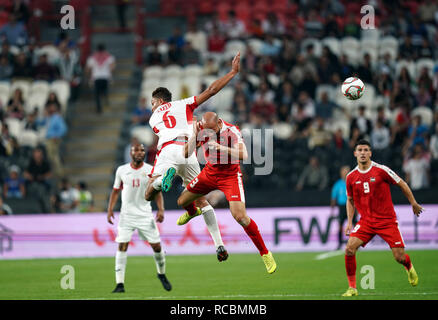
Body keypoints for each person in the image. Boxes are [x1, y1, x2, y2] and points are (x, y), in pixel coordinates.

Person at [145, 53, 242, 262]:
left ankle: (164, 179)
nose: (152, 106)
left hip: (169, 150)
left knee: (149, 193)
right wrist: (232, 72)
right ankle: (219, 245)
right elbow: (212, 90)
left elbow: (165, 127)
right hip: (188, 151)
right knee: (202, 201)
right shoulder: (185, 104)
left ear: (160, 101)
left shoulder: (153, 118)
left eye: (153, 102)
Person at [176, 112, 277, 274]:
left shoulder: (232, 131)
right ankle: (193, 211)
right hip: (209, 174)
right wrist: (195, 135)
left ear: (218, 124)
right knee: (182, 201)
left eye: (210, 131)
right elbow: (185, 154)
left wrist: (222, 147)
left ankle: (265, 253)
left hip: (229, 176)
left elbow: (244, 155)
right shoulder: (201, 128)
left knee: (240, 217)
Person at [342, 139, 423, 297]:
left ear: (370, 153)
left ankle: (409, 266)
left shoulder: (381, 170)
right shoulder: (351, 177)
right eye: (360, 150)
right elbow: (350, 200)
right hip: (366, 221)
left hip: (386, 221)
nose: (363, 153)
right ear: (355, 153)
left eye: (366, 150)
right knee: (349, 249)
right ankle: (352, 288)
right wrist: (350, 222)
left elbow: (402, 183)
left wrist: (413, 202)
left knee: (399, 257)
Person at [107, 143, 171, 293]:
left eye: (142, 150)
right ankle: (119, 284)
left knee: (157, 246)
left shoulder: (150, 170)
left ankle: (161, 274)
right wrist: (110, 209)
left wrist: (161, 209)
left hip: (145, 215)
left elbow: (158, 191)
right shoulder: (122, 170)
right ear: (130, 152)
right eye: (137, 150)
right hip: (126, 215)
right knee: (122, 245)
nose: (140, 153)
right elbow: (115, 191)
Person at [330, 166, 356, 250]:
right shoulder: (338, 184)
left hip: (352, 206)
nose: (345, 173)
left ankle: (357, 242)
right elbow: (334, 197)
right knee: (340, 225)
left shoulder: (353, 182)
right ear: (341, 173)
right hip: (342, 207)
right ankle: (340, 243)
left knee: (356, 226)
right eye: (344, 171)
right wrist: (332, 208)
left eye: (347, 171)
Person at [86, 44, 116, 113]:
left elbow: (88, 69)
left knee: (97, 94)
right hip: (105, 77)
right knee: (104, 90)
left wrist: (89, 77)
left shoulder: (92, 57)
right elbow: (112, 67)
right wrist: (109, 74)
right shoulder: (109, 57)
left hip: (96, 77)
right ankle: (105, 97)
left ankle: (99, 108)